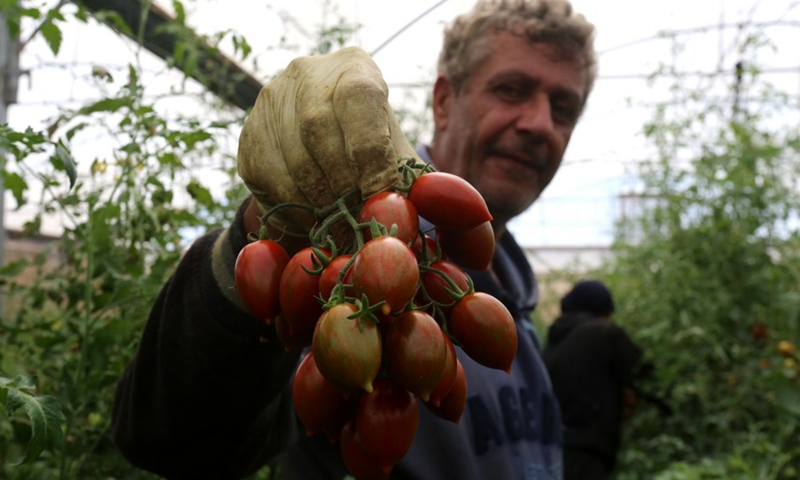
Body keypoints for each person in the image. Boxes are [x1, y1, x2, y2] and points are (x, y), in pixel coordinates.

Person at [110, 1, 598, 479]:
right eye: (512, 90)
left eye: (563, 107)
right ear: (445, 101)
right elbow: (174, 442)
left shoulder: (513, 284)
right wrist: (257, 238)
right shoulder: (342, 258)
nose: (539, 124)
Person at [542, 280, 647, 480]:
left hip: (549, 452)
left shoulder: (553, 343)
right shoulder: (605, 333)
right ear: (603, 311)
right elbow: (642, 373)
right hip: (588, 453)